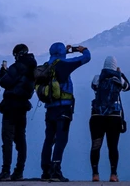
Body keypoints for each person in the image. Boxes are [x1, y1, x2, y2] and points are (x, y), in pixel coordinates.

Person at [40, 43, 91, 182]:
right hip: (63, 108)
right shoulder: (64, 64)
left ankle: (45, 170)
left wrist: (65, 52)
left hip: (49, 108)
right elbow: (87, 58)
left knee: (49, 139)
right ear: (62, 52)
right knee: (61, 139)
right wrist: (82, 50)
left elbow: (57, 58)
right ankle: (56, 170)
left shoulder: (47, 65)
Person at [0, 44, 38, 181]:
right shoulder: (33, 68)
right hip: (23, 106)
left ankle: (5, 171)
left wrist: (2, 73)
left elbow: (5, 82)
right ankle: (19, 171)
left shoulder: (17, 66)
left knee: (7, 139)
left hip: (11, 106)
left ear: (18, 54)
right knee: (21, 139)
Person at [89, 56, 130, 182]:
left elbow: (93, 87)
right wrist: (120, 73)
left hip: (97, 116)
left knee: (96, 146)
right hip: (114, 117)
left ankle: (95, 174)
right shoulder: (118, 78)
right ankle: (113, 174)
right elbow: (128, 87)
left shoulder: (97, 78)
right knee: (113, 146)